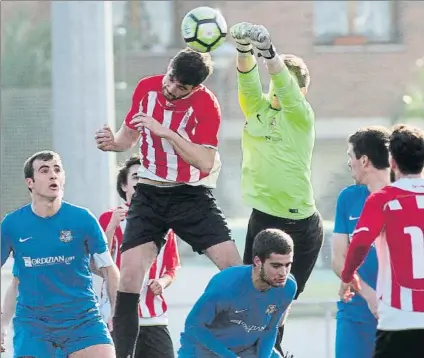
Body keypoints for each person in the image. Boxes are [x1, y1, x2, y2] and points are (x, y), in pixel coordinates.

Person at [94, 47, 242, 357]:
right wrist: (112, 143)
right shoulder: (146, 87)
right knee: (129, 276)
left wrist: (168, 133)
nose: (172, 89)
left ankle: (243, 347)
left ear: (196, 88)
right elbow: (126, 139)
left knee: (233, 267)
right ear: (169, 68)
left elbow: (204, 161)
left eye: (182, 88)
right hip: (149, 195)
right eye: (172, 79)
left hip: (189, 194)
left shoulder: (206, 105)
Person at [229, 22, 324, 352]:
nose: (276, 91)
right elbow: (247, 80)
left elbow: (283, 83)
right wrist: (243, 49)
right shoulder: (257, 109)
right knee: (249, 297)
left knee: (280, 302)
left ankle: (273, 351)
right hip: (262, 219)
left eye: (285, 87)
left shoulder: (301, 116)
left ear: (301, 92)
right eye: (273, 85)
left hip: (300, 226)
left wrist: (270, 53)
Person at [0, 150, 119, 357]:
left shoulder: (83, 219)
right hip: (34, 325)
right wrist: (2, 323)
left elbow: (108, 269)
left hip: (84, 321)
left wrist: (118, 314)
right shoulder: (12, 224)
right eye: (44, 171)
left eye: (57, 170)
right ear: (30, 182)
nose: (53, 175)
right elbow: (16, 283)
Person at [341, 124, 424, 358]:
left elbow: (359, 244)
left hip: (398, 320)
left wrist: (348, 276)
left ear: (393, 162)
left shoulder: (383, 199)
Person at [98, 154, 180, 358]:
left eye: (147, 176)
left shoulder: (165, 223)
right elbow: (98, 262)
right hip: (117, 316)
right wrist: (111, 227)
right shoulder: (109, 218)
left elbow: (172, 267)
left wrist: (162, 281)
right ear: (124, 185)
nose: (141, 181)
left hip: (154, 317)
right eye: (135, 176)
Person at [178, 228, 297, 358]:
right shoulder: (226, 285)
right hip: (203, 349)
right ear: (258, 262)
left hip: (246, 349)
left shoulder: (288, 287)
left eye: (287, 265)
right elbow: (194, 326)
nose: (283, 273)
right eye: (276, 266)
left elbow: (269, 329)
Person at [332, 126, 391, 358]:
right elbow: (339, 259)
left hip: (402, 315)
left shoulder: (410, 196)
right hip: (355, 313)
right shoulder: (348, 197)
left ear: (364, 160)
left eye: (350, 156)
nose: (349, 163)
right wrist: (369, 296)